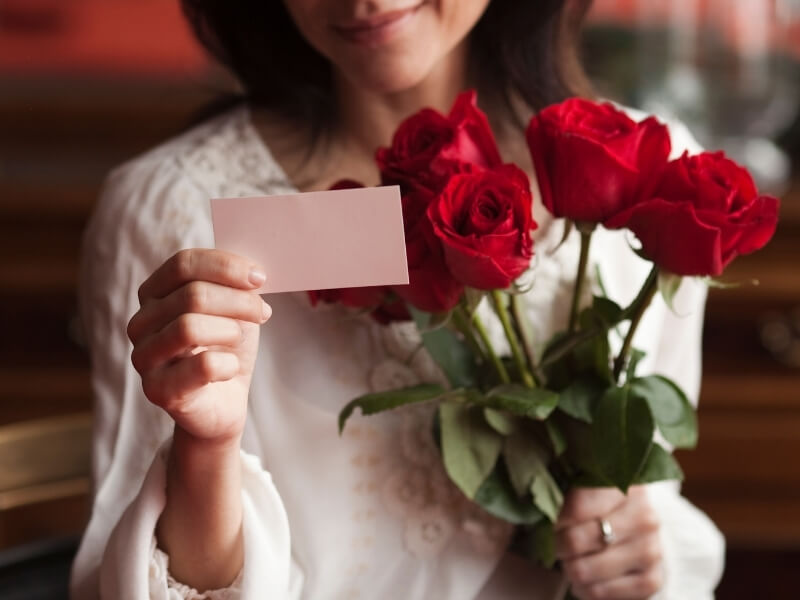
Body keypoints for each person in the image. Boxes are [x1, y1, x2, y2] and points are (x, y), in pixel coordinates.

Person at [70, 1, 725, 598]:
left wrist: (637, 548)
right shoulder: (173, 213)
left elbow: (648, 501)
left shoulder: (649, 183)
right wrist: (206, 450)